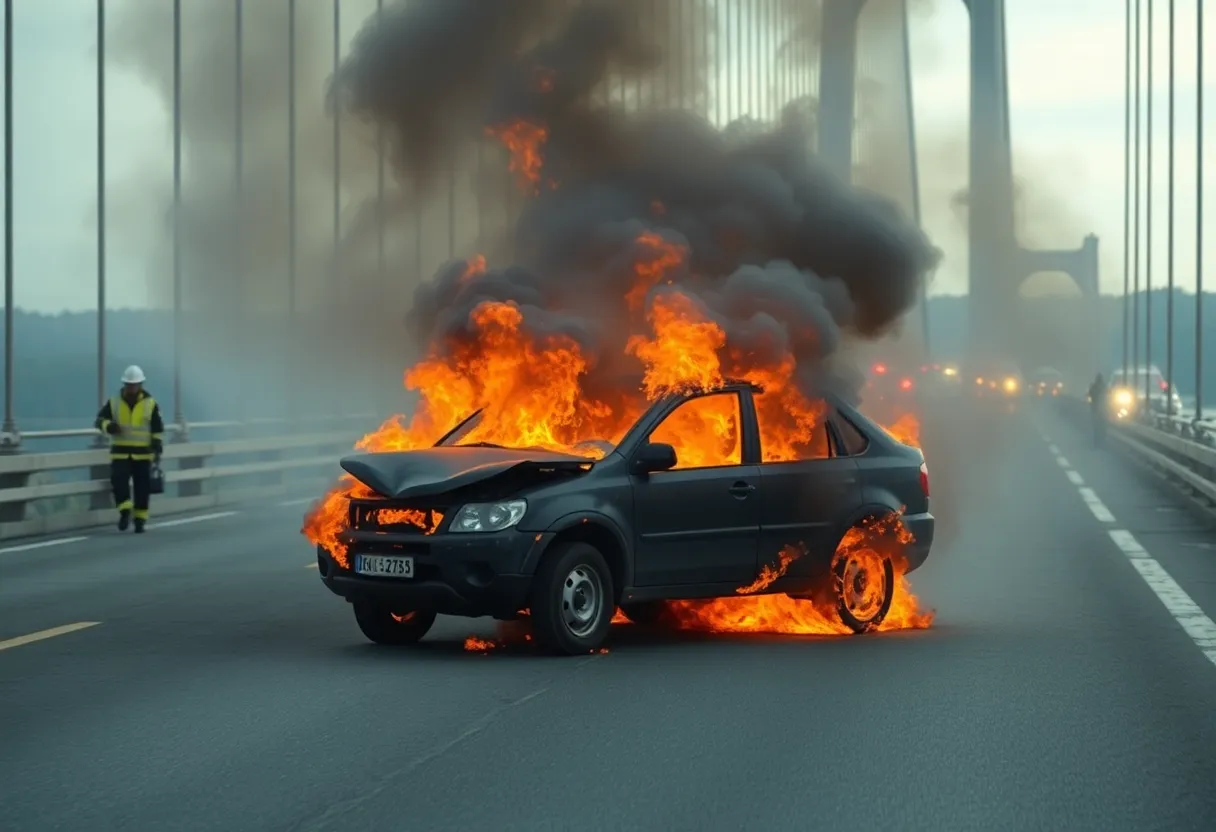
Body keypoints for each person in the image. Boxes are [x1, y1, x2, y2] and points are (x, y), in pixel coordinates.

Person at [94, 365, 164, 532]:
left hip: (143, 455)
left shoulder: (150, 403)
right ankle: (125, 511)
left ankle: (140, 520)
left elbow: (157, 429)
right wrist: (108, 426)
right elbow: (99, 420)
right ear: (124, 384)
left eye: (135, 384)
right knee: (119, 483)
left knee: (142, 489)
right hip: (121, 453)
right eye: (129, 384)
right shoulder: (114, 402)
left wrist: (156, 447)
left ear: (141, 384)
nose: (131, 387)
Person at [1087, 372, 1108, 448]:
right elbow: (1108, 396)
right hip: (1102, 411)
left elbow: (1089, 396)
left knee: (1096, 428)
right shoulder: (1104, 386)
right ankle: (1102, 443)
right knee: (1102, 428)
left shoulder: (1093, 386)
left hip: (1095, 410)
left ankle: (1097, 443)